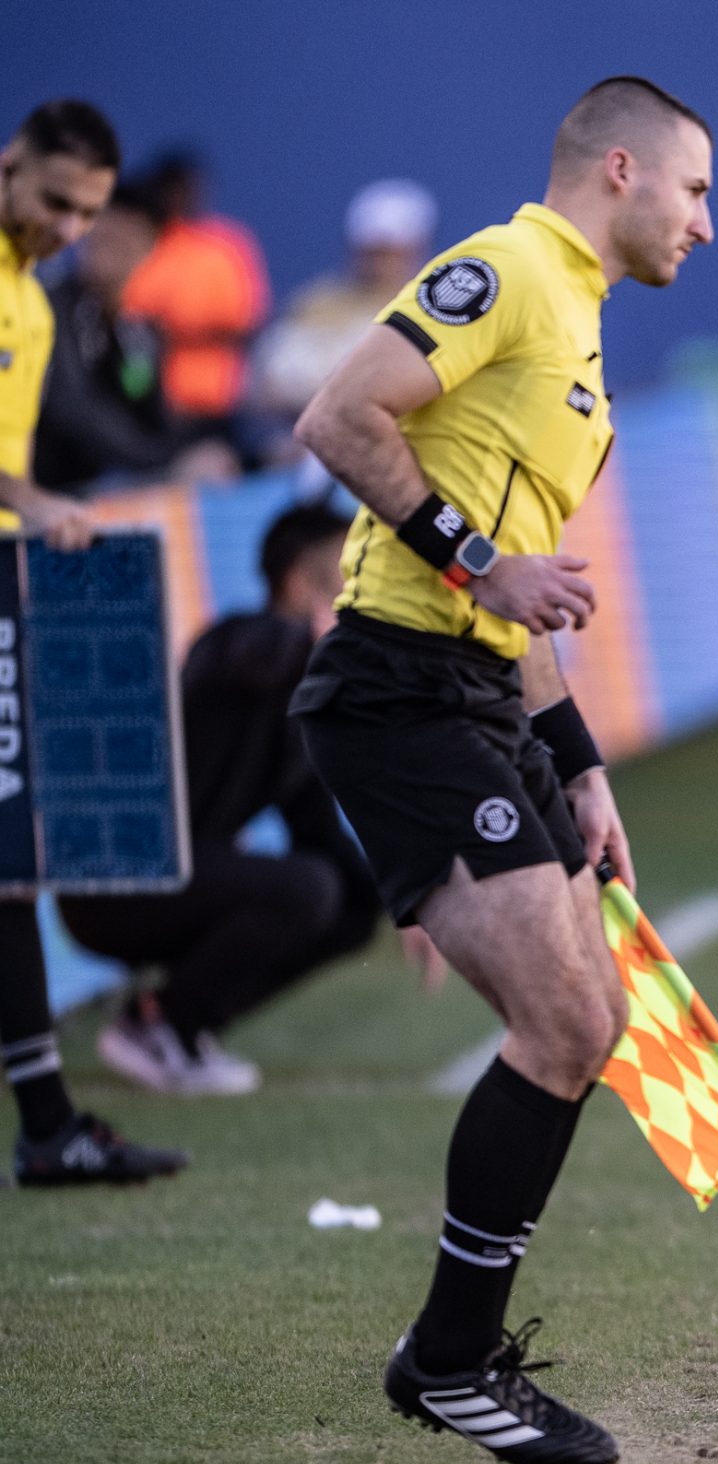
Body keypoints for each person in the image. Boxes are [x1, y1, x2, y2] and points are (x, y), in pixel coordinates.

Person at [291, 75, 711, 1464]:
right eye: (696, 191)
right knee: (563, 1020)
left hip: (473, 697)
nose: (707, 226)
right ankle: (452, 1361)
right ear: (619, 170)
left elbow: (525, 597)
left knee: (585, 1023)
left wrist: (578, 764)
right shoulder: (512, 267)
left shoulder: (577, 315)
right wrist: (481, 563)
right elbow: (339, 418)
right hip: (399, 691)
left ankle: (454, 1355)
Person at [0, 98, 189, 1186]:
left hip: (5, 583)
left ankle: (45, 1121)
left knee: (10, 865)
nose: (71, 228)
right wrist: (29, 498)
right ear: (9, 166)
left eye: (89, 212)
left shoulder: (29, 294)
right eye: (56, 202)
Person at [60, 505, 398, 1094]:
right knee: (306, 888)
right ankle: (159, 1028)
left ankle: (176, 1024)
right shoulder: (236, 643)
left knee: (349, 904)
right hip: (113, 880)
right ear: (299, 582)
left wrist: (412, 904)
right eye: (355, 573)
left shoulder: (305, 706)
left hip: (182, 882)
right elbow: (257, 652)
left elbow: (318, 830)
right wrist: (319, 642)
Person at [32, 182, 238, 491]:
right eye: (100, 233)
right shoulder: (49, 308)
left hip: (98, 498)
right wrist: (166, 463)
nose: (108, 247)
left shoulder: (141, 332)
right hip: (39, 495)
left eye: (123, 239)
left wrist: (239, 457)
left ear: (149, 248)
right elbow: (74, 409)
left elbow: (157, 422)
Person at [254, 180, 439, 427]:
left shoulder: (435, 309)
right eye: (371, 252)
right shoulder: (315, 306)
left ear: (418, 249)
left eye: (392, 252)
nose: (380, 264)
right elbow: (269, 387)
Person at [121, 149, 268, 441]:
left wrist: (176, 330)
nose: (183, 197)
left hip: (217, 405)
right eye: (174, 188)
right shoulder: (144, 246)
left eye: (190, 188)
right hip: (147, 405)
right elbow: (130, 322)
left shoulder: (226, 246)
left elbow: (246, 324)